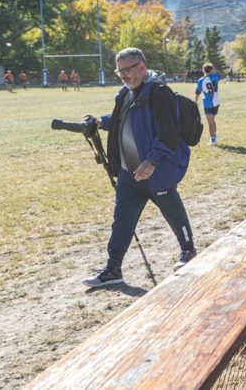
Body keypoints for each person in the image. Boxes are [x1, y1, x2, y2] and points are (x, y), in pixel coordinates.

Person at [82, 48, 196, 287]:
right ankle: (113, 269)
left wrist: (152, 161)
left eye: (127, 70)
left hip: (156, 171)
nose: (123, 75)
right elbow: (122, 119)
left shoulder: (159, 92)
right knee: (121, 220)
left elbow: (169, 132)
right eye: (119, 71)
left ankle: (188, 251)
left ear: (142, 68)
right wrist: (101, 121)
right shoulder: (125, 94)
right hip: (128, 173)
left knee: (172, 212)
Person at [195, 63, 221, 146]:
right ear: (212, 70)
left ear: (203, 70)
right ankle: (214, 136)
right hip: (216, 101)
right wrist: (214, 69)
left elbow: (197, 93)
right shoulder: (215, 76)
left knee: (210, 122)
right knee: (213, 121)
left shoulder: (201, 80)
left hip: (208, 103)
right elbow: (219, 74)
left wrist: (195, 102)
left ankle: (213, 140)